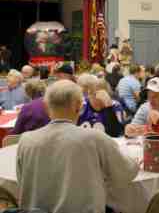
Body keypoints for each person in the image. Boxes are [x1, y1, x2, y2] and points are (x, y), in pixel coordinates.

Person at [17, 80, 139, 213]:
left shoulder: (25, 140)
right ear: (79, 106)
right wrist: (135, 160)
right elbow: (127, 172)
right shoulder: (95, 138)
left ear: (46, 107)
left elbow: (21, 181)